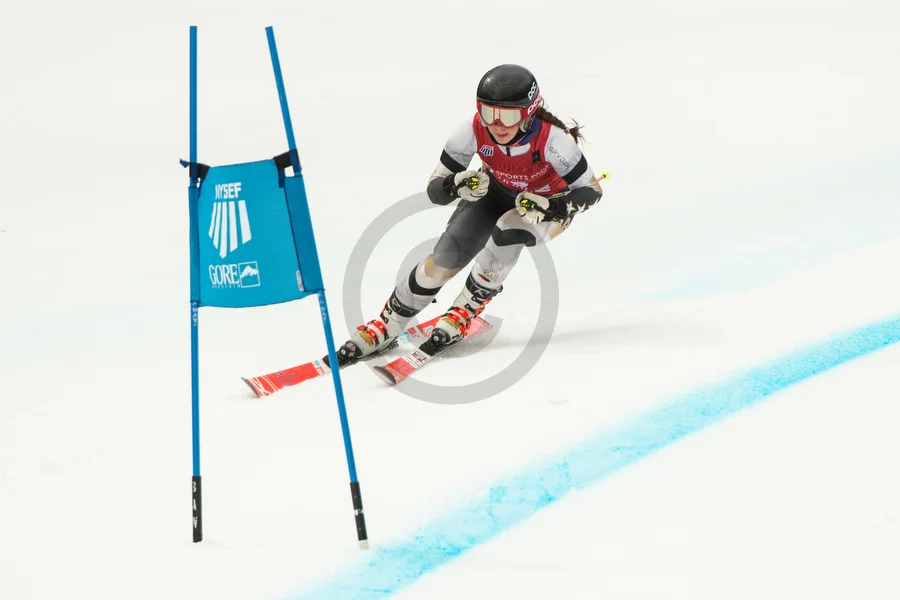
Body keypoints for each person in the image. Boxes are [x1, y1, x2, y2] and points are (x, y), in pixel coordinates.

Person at [331, 63, 605, 367]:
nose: (497, 125)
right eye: (489, 112)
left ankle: (464, 310)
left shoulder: (554, 141)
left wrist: (552, 206)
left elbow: (591, 192)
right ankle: (388, 322)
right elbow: (435, 190)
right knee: (446, 256)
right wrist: (454, 185)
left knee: (509, 231)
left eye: (509, 116)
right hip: (496, 192)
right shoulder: (471, 130)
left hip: (545, 207)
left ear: (529, 112)